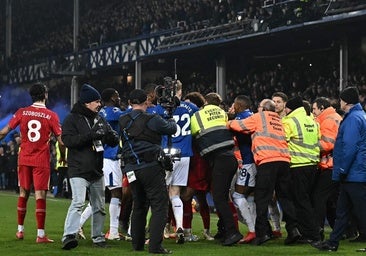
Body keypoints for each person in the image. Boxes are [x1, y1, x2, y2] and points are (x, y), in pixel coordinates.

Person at [227, 99, 301, 246]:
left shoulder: (259, 117)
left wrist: (227, 122)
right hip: (284, 160)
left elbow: (240, 126)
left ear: (263, 109)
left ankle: (262, 234)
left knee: (261, 198)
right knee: (285, 198)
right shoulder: (279, 120)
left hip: (268, 161)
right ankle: (293, 230)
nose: (257, 108)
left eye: (259, 106)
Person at [0, 83, 63, 243]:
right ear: (45, 95)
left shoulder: (22, 112)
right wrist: (63, 156)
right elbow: (61, 140)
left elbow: (4, 131)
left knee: (23, 193)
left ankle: (20, 231)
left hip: (24, 158)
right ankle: (40, 235)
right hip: (41, 160)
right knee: (40, 195)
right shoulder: (52, 115)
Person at [61, 83, 119, 250]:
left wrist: (111, 136)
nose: (99, 104)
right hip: (78, 168)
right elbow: (68, 141)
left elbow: (111, 139)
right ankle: (69, 236)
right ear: (86, 103)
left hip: (96, 169)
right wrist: (91, 135)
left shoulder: (99, 118)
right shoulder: (72, 119)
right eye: (96, 101)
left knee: (99, 206)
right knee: (78, 202)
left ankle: (98, 238)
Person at [119, 89, 177, 254]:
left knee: (139, 204)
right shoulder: (152, 119)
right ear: (147, 102)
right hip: (150, 166)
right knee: (160, 205)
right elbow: (171, 129)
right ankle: (155, 246)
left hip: (130, 168)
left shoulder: (122, 120)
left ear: (130, 102)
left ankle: (137, 245)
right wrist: (170, 116)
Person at [312, 87, 366, 251]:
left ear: (346, 101)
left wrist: (342, 169)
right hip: (355, 172)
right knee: (342, 210)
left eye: (341, 99)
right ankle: (333, 242)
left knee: (361, 210)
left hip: (353, 173)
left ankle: (333, 242)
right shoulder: (360, 116)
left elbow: (349, 147)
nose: (339, 102)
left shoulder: (353, 119)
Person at [190, 92, 243, 246]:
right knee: (223, 197)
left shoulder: (197, 116)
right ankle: (225, 229)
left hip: (219, 159)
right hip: (230, 158)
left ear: (205, 102)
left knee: (219, 198)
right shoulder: (222, 113)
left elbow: (193, 134)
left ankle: (232, 232)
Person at [78, 88, 125, 241]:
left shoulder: (99, 113)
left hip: (102, 157)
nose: (119, 98)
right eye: (117, 95)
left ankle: (78, 224)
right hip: (110, 158)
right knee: (116, 192)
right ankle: (112, 232)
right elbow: (127, 116)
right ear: (112, 98)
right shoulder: (113, 111)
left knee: (99, 197)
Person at [163, 81, 199, 243]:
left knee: (162, 193)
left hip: (166, 153)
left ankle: (161, 228)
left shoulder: (162, 107)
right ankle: (179, 226)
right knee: (175, 193)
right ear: (180, 90)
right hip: (185, 154)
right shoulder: (191, 108)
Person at [282, 96, 321, 243]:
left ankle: (313, 234)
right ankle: (311, 232)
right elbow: (318, 139)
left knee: (301, 202)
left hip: (297, 165)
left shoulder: (289, 121)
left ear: (290, 108)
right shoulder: (312, 121)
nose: (285, 110)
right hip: (313, 164)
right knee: (306, 200)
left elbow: (282, 139)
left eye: (286, 107)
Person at [311, 97, 342, 240]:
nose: (313, 112)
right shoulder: (335, 117)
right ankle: (346, 229)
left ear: (322, 108)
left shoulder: (328, 120)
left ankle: (318, 230)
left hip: (330, 165)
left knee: (319, 197)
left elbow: (328, 144)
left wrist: (310, 147)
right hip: (337, 164)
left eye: (314, 109)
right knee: (333, 200)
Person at [228, 95, 257, 244]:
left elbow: (230, 128)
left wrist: (228, 120)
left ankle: (252, 230)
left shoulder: (240, 119)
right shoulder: (254, 116)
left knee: (238, 196)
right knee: (251, 196)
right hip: (259, 160)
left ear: (238, 105)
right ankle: (262, 228)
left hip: (248, 162)